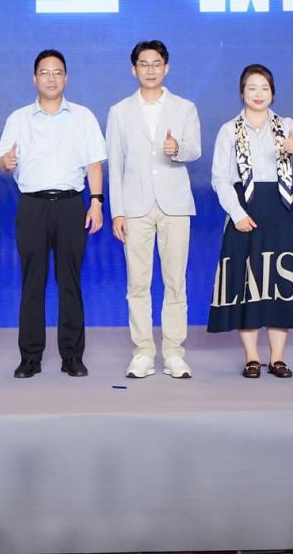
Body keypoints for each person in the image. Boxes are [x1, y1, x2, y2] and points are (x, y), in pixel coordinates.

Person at [0, 49, 106, 379]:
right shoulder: (18, 119)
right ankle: (30, 357)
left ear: (66, 77)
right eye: (45, 72)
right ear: (35, 78)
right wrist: (6, 163)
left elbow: (94, 163)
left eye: (57, 72)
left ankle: (72, 355)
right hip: (32, 206)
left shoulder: (83, 116)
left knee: (70, 281)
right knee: (33, 282)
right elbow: (2, 161)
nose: (51, 78)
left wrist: (96, 201)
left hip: (72, 205)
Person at [208, 63, 293, 378]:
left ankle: (278, 357)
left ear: (273, 93)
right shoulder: (229, 129)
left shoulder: (286, 124)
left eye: (264, 88)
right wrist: (237, 214)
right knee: (248, 283)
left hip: (280, 208)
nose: (258, 94)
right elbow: (219, 178)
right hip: (245, 208)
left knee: (279, 281)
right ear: (242, 92)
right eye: (252, 88)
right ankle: (252, 357)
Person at [105, 40, 201, 380]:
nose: (150, 70)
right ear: (133, 70)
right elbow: (115, 164)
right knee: (138, 283)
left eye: (156, 63)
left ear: (166, 68)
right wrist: (117, 211)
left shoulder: (184, 107)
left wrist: (178, 149)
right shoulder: (119, 111)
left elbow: (195, 150)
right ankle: (143, 351)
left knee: (175, 282)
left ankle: (174, 352)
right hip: (135, 206)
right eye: (144, 64)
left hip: (175, 204)